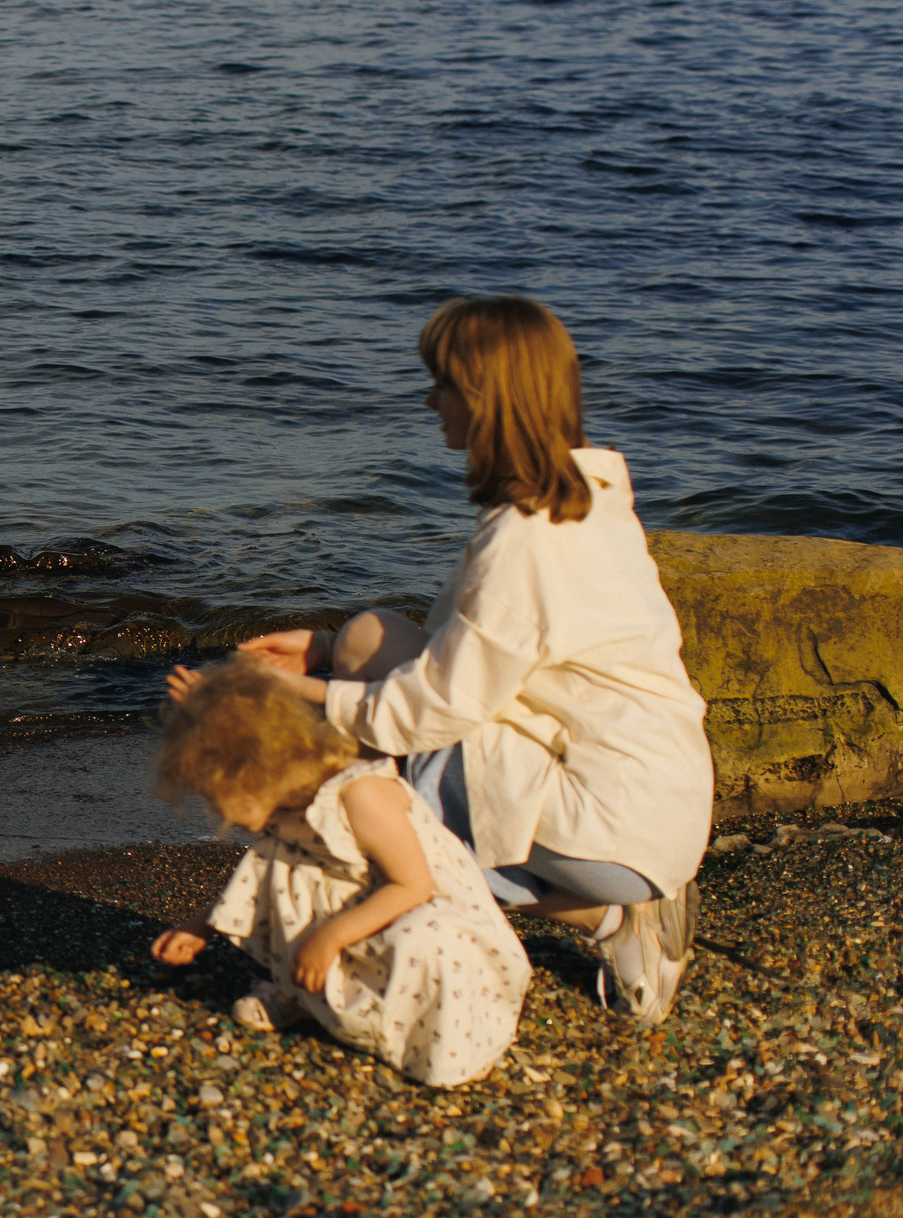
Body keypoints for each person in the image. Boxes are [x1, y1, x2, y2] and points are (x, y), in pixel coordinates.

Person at [172, 294, 711, 1024]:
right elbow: (459, 657)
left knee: (371, 807)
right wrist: (330, 651)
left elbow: (427, 711)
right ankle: (618, 918)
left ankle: (333, 977)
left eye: (443, 385)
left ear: (486, 400)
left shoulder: (527, 542)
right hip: (655, 793)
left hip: (610, 818)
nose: (430, 400)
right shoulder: (584, 497)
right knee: (368, 640)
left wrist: (294, 690)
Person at [150, 665, 530, 1087]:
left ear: (257, 770)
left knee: (429, 937)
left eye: (216, 796)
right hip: (360, 905)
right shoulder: (288, 802)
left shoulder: (360, 795)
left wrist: (329, 938)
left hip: (425, 910)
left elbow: (414, 887)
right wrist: (201, 926)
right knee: (279, 863)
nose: (217, 813)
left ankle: (453, 1038)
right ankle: (305, 994)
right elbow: (255, 875)